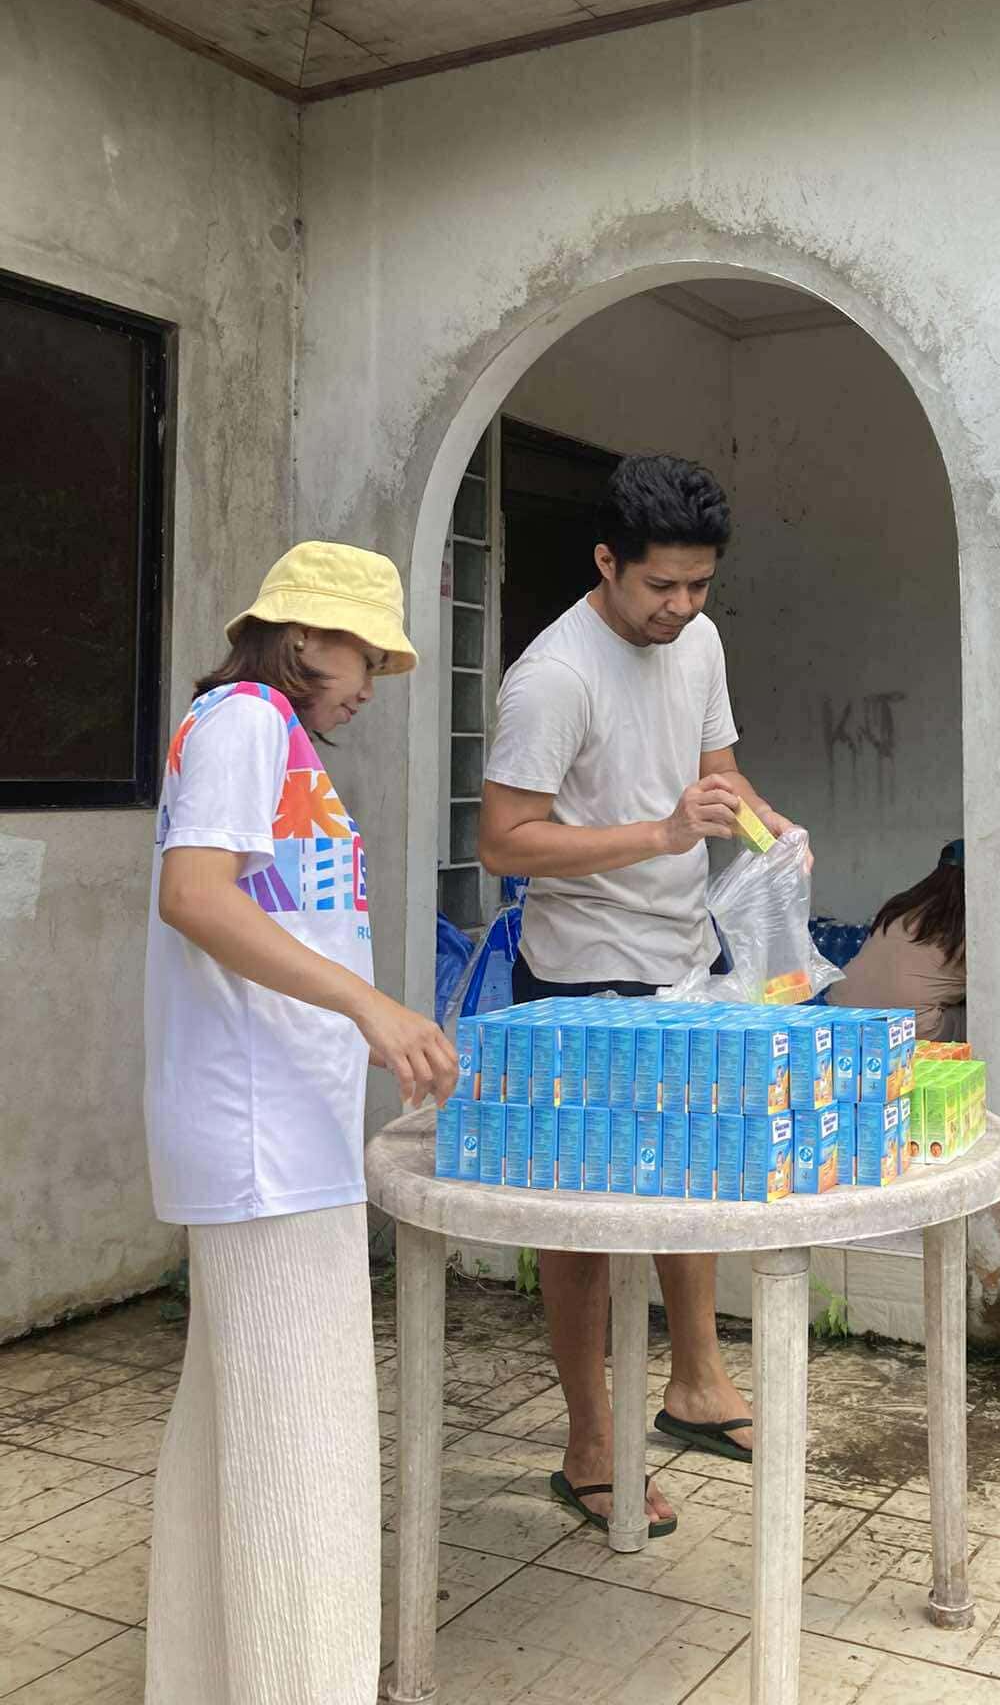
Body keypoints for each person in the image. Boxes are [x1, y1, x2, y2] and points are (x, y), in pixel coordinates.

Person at [143, 544, 458, 1705]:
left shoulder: (262, 731)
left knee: (233, 1430)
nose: (371, 677)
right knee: (304, 1450)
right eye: (362, 650)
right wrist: (369, 1003)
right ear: (303, 635)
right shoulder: (244, 721)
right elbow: (197, 895)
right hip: (259, 1139)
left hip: (276, 1131)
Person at [479, 454, 804, 1538]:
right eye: (660, 585)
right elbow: (503, 842)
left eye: (698, 585)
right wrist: (660, 836)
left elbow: (719, 779)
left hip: (683, 952)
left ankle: (698, 1385)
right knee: (583, 1224)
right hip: (577, 976)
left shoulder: (699, 641)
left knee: (693, 1170)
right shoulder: (552, 676)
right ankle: (587, 1444)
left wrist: (770, 831)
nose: (680, 607)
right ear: (607, 561)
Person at [827, 840, 965, 1040]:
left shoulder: (903, 906)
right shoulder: (966, 925)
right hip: (908, 1028)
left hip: (838, 1010)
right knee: (980, 1014)